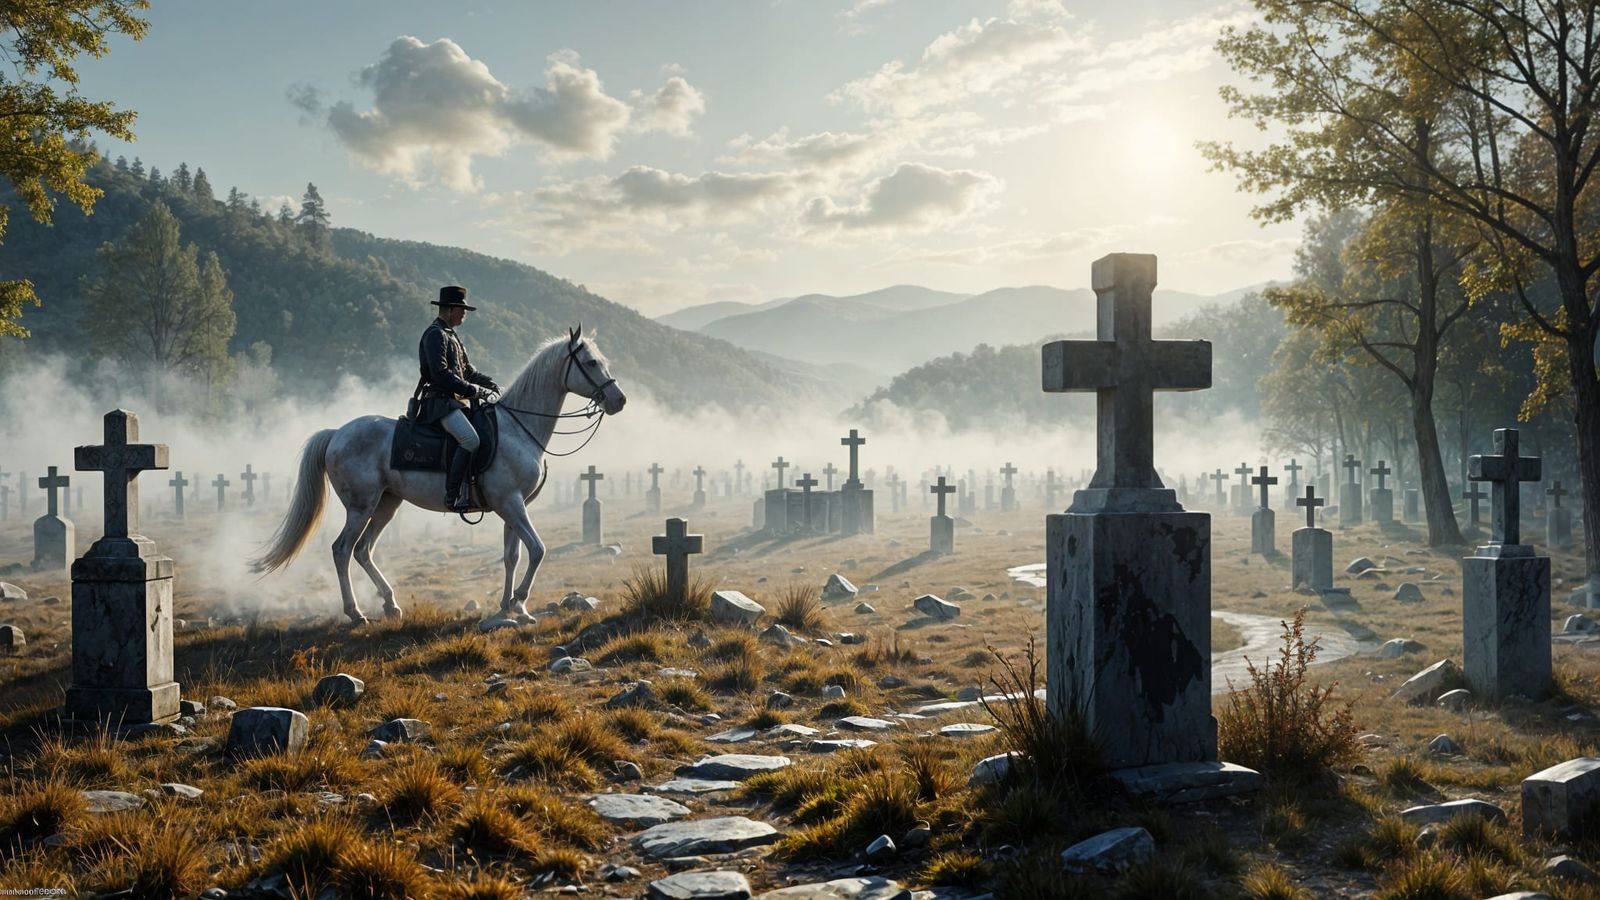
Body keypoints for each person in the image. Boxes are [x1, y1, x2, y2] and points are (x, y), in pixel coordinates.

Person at [416, 285, 499, 510]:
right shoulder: (435, 335)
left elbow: (468, 372)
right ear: (450, 309)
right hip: (439, 403)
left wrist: (491, 384)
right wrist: (474, 391)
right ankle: (454, 494)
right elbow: (441, 375)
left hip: (455, 403)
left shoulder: (451, 336)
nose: (464, 314)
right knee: (470, 440)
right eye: (461, 309)